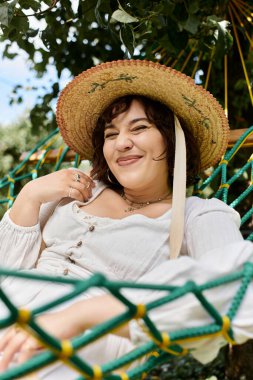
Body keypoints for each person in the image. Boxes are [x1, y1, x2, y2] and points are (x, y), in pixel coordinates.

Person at [0, 59, 252, 379]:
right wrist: (30, 196)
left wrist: (81, 316)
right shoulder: (76, 190)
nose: (121, 143)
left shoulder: (197, 215)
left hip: (80, 350)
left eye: (139, 128)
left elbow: (238, 289)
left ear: (171, 139)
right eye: (111, 133)